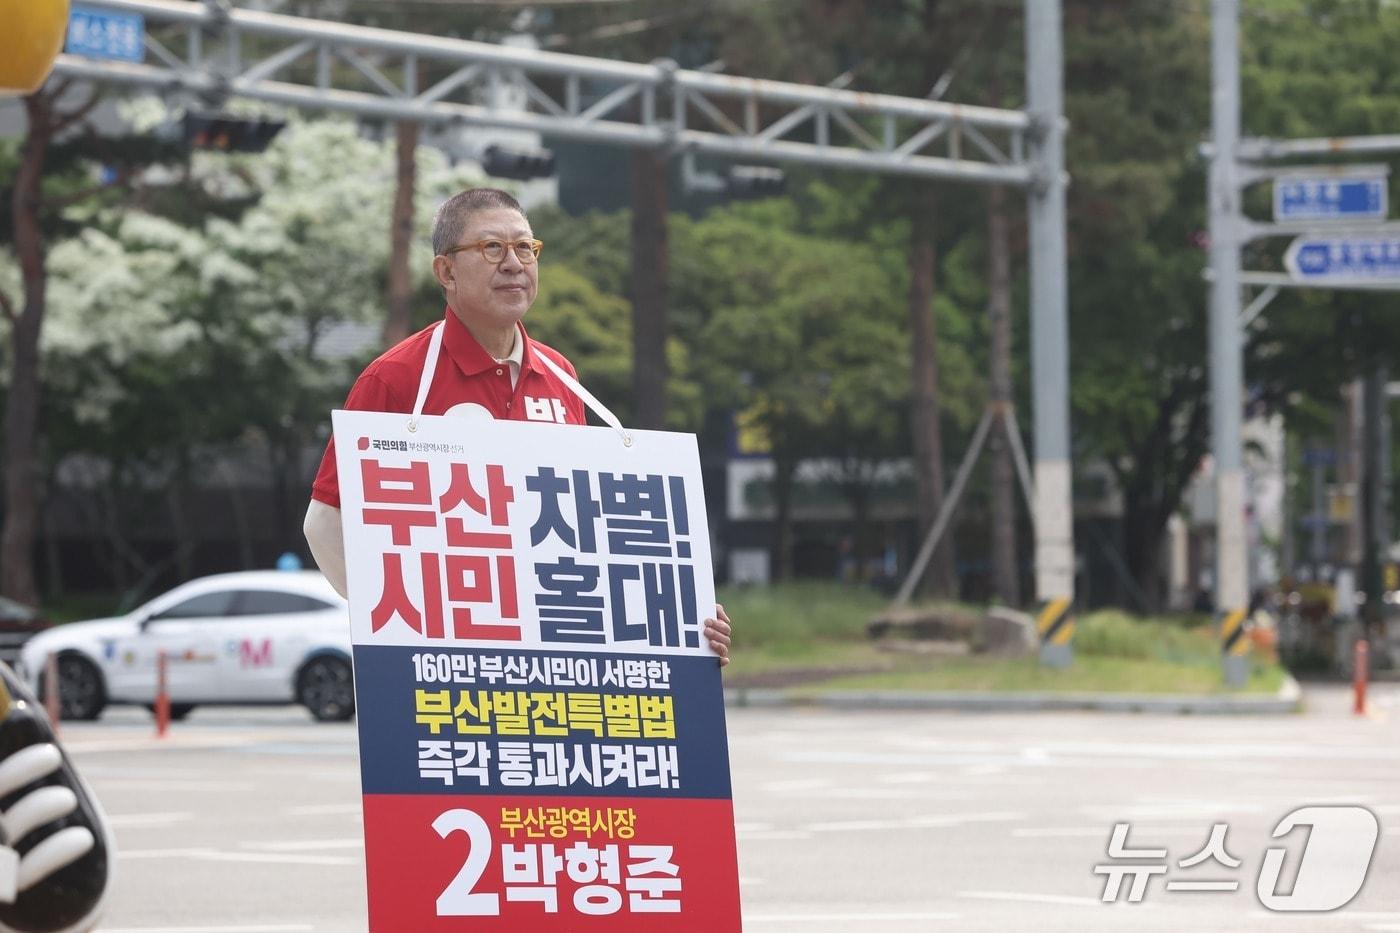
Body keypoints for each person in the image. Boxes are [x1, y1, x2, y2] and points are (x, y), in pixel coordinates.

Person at [303, 187, 732, 664]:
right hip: (446, 658)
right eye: (491, 248)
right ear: (445, 271)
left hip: (552, 656)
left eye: (525, 247)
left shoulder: (562, 376)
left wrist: (680, 621)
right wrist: (396, 622)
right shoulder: (395, 378)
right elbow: (325, 523)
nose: (514, 264)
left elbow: (588, 532)